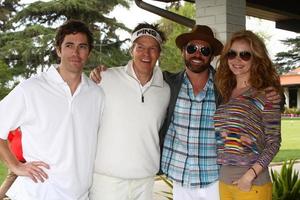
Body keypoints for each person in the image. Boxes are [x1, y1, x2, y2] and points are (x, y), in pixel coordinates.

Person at [159, 25, 282, 200]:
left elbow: (273, 139)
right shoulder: (167, 83)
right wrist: (106, 75)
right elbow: (140, 80)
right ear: (183, 51)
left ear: (212, 55)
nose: (197, 54)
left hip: (216, 179)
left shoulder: (221, 87)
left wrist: (272, 95)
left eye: (205, 50)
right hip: (181, 177)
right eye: (192, 48)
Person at [0, 19, 105, 200]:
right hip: (39, 193)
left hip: (80, 195)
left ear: (89, 52)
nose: (75, 52)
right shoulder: (31, 88)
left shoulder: (96, 94)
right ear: (58, 50)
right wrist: (16, 166)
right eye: (69, 45)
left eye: (82, 46)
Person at [89, 23, 170, 200]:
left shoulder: (165, 89)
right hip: (107, 182)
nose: (146, 54)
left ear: (159, 53)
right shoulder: (105, 78)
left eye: (152, 48)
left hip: (145, 181)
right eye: (140, 47)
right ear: (131, 50)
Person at [213, 30, 282, 200]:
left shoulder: (265, 94)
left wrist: (250, 175)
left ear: (256, 59)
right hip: (224, 181)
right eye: (232, 54)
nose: (237, 60)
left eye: (245, 55)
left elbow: (274, 142)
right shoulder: (226, 93)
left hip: (252, 184)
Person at [0, 128, 25, 200]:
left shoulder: (16, 130)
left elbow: (9, 140)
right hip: (19, 159)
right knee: (11, 178)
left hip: (15, 157)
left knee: (11, 178)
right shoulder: (22, 130)